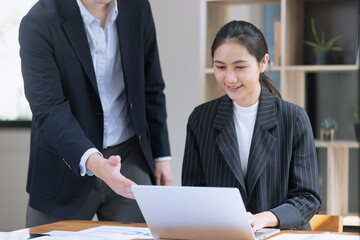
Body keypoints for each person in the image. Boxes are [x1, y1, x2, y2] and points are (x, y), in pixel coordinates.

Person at [19, 0, 173, 227]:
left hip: (128, 157)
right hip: (63, 163)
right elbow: (49, 109)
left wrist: (161, 156)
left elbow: (151, 85)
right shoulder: (38, 22)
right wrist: (96, 164)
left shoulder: (137, 6)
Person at [182, 20, 321, 231]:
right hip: (223, 235)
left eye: (240, 67)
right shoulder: (200, 120)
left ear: (263, 63)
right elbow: (193, 194)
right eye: (220, 67)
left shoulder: (294, 119)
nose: (229, 77)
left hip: (280, 235)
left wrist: (266, 218)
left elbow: (308, 198)